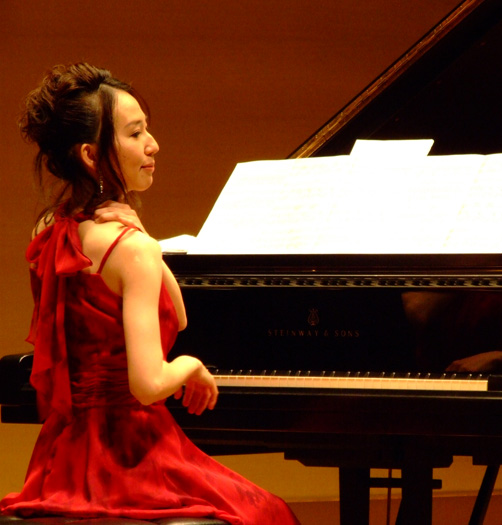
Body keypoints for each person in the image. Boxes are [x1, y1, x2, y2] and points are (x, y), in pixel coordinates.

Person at [0, 63, 299, 525]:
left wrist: (141, 235)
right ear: (91, 155)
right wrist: (190, 365)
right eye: (136, 133)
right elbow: (149, 382)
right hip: (131, 458)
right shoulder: (132, 251)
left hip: (63, 458)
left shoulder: (48, 230)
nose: (153, 144)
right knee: (271, 513)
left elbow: (174, 312)